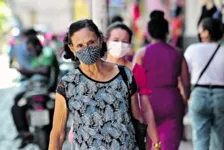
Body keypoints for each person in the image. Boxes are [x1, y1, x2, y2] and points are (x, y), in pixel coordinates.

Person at [49, 19, 160, 150]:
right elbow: (58, 134)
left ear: (100, 40)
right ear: (72, 48)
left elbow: (137, 120)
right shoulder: (68, 84)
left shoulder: (124, 75)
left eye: (91, 42)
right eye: (80, 45)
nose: (87, 49)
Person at [133, 10, 190, 150]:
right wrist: (185, 100)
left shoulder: (141, 54)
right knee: (169, 145)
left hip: (148, 103)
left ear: (149, 32)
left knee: (150, 144)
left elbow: (134, 83)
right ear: (167, 32)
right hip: (172, 101)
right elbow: (186, 83)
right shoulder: (177, 53)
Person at [11, 36, 58, 149]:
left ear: (37, 45)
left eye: (31, 48)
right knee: (17, 103)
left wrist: (27, 70)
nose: (30, 51)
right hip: (35, 89)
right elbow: (34, 72)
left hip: (50, 88)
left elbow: (44, 70)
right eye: (29, 49)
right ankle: (25, 132)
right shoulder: (34, 57)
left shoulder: (47, 52)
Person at [185, 17, 224, 150]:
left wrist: (186, 94)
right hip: (221, 96)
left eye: (200, 29)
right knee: (219, 139)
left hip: (199, 94)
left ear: (206, 32)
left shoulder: (192, 49)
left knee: (200, 138)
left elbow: (184, 74)